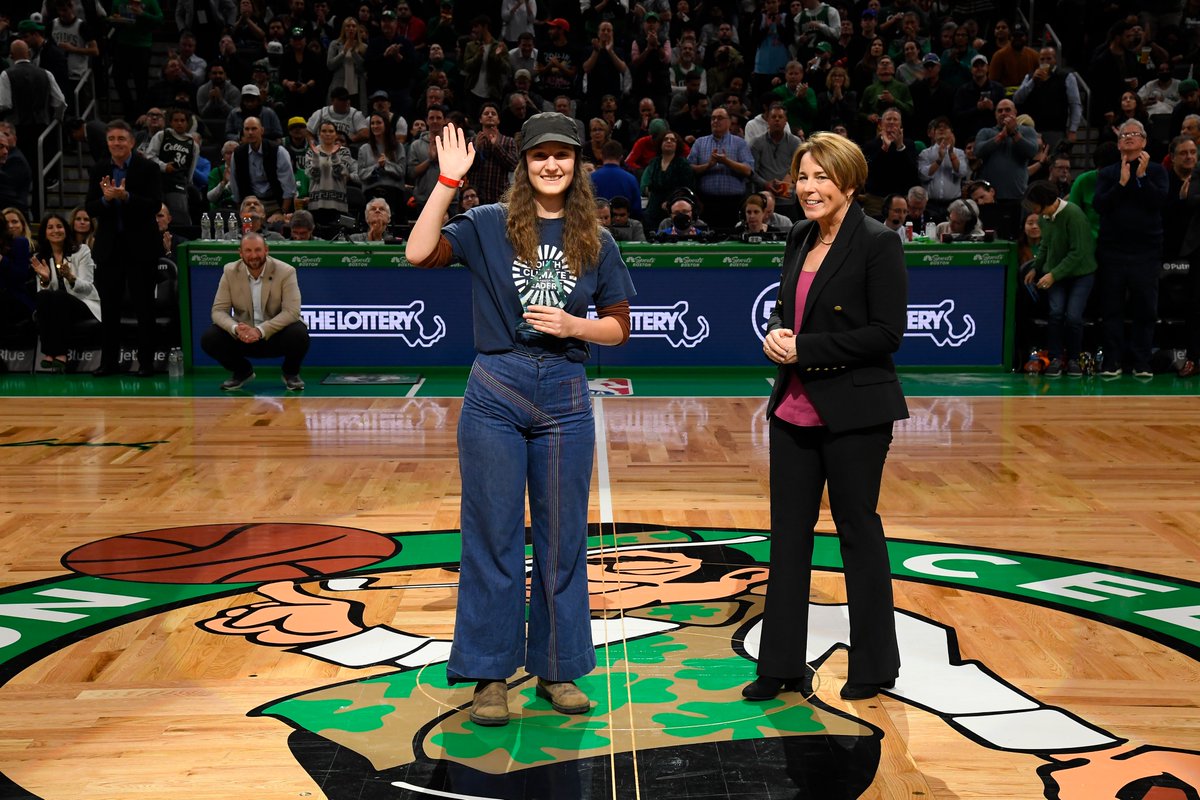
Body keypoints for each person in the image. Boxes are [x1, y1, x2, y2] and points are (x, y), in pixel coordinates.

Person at [403, 111, 634, 727]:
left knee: (562, 542)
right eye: (539, 156)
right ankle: (488, 676)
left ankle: (558, 670)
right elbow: (418, 251)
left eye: (563, 155)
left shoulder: (598, 241)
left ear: (578, 164)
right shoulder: (487, 225)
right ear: (524, 165)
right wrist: (447, 182)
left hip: (564, 393)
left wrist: (574, 325)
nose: (551, 165)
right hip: (496, 392)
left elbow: (618, 325)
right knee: (492, 539)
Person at [747, 130, 907, 704]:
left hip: (856, 412)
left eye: (820, 177)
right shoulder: (797, 236)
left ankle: (875, 664)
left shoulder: (878, 242)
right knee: (787, 539)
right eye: (803, 177)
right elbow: (797, 314)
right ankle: (781, 664)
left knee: (858, 535)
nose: (808, 188)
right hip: (794, 408)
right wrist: (778, 337)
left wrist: (806, 350)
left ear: (849, 182)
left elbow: (888, 333)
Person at [85, 119, 162, 377]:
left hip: (141, 249)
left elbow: (154, 205)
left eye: (121, 139)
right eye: (111, 139)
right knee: (109, 308)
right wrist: (106, 200)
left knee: (144, 308)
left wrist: (126, 197)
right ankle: (108, 362)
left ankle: (147, 363)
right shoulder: (98, 170)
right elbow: (89, 208)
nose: (116, 143)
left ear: (131, 142)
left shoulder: (148, 168)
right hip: (110, 249)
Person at [1094, 119, 1169, 378]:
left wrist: (1141, 178)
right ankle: (1112, 361)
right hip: (1113, 250)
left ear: (1144, 141)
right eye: (1124, 134)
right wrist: (1122, 184)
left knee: (1145, 308)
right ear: (1118, 143)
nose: (1129, 137)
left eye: (1135, 134)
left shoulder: (1157, 171)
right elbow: (1100, 205)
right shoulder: (1107, 173)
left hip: (1146, 251)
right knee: (1111, 308)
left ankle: (1141, 361)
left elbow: (1158, 203)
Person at [200, 232, 309, 391]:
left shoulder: (286, 271)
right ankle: (242, 371)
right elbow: (218, 311)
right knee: (210, 338)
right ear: (241, 253)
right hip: (243, 336)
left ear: (266, 250)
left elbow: (292, 312)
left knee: (299, 334)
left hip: (274, 335)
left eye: (258, 250)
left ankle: (290, 373)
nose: (253, 255)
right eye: (248, 251)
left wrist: (259, 331)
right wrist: (236, 328)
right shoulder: (230, 271)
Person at [1022, 180, 1097, 378]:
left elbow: (1078, 253)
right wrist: (1036, 268)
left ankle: (1073, 358)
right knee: (1055, 313)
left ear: (1044, 201)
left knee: (1073, 316)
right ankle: (1054, 358)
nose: (1033, 209)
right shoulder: (1045, 218)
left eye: (1034, 204)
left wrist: (1053, 275)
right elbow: (1046, 243)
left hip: (1080, 274)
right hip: (1056, 274)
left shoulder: (1073, 214)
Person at [30, 212, 101, 371]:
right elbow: (43, 292)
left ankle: (57, 352)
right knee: (43, 296)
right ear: (45, 233)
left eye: (59, 226)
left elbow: (88, 287)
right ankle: (50, 353)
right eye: (50, 227)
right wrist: (45, 280)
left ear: (66, 230)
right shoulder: (40, 257)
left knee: (59, 297)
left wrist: (71, 277)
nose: (55, 230)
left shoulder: (81, 251)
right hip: (57, 305)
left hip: (84, 304)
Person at [687, 107, 754, 229]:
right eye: (713, 118)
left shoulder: (740, 143)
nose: (715, 121)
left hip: (734, 204)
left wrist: (726, 161)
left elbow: (748, 170)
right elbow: (689, 169)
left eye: (720, 118)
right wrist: (708, 165)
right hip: (706, 204)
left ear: (729, 122)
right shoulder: (700, 143)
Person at [229, 116, 296, 216]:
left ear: (262, 130)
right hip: (250, 204)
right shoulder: (238, 154)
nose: (250, 132)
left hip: (276, 203)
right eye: (247, 129)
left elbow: (289, 188)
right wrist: (242, 212)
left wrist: (282, 213)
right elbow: (235, 186)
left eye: (254, 128)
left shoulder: (278, 151)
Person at [145, 108, 200, 223]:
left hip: (178, 184)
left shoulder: (193, 144)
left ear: (187, 123)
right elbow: (149, 157)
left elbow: (191, 170)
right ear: (170, 122)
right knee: (156, 217)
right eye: (176, 120)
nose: (179, 123)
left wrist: (187, 185)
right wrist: (164, 167)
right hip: (158, 182)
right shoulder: (162, 135)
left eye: (182, 120)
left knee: (180, 219)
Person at [751, 103, 801, 221]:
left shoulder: (795, 142)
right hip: (764, 200)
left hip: (788, 200)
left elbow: (800, 167)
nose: (777, 120)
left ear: (786, 121)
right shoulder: (757, 143)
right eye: (773, 117)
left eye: (780, 117)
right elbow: (752, 172)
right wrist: (765, 184)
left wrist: (788, 179)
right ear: (768, 120)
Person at [303, 120, 357, 226]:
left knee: (338, 237)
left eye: (331, 131)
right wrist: (315, 157)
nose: (327, 134)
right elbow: (314, 175)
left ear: (335, 134)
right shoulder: (311, 152)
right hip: (316, 203)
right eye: (324, 131)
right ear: (319, 134)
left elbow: (340, 173)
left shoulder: (344, 151)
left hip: (338, 203)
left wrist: (334, 156)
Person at [466, 101, 519, 205]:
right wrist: (476, 148)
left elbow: (514, 165)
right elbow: (466, 168)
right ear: (480, 119)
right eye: (486, 113)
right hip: (475, 197)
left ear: (498, 120)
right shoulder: (470, 141)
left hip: (499, 196)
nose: (490, 115)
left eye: (493, 114)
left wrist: (497, 147)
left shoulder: (508, 141)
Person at [356, 111, 406, 216]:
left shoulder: (398, 147)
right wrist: (377, 166)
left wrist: (386, 164)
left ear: (386, 125)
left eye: (378, 122)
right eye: (372, 123)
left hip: (394, 195)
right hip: (371, 194)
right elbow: (361, 174)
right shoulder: (364, 149)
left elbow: (402, 172)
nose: (375, 126)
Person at [589, 140, 642, 220]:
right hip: (624, 228)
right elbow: (637, 210)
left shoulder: (591, 178)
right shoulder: (631, 179)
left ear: (602, 156)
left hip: (597, 226)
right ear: (621, 157)